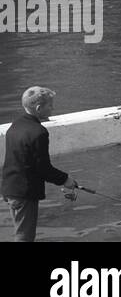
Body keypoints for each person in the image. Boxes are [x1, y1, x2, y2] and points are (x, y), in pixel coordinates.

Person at [2, 86, 77, 242]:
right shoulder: (39, 132)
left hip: (10, 187)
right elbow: (43, 168)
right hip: (24, 192)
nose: (53, 108)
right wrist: (65, 179)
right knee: (25, 236)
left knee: (20, 230)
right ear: (38, 108)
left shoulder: (15, 126)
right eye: (50, 105)